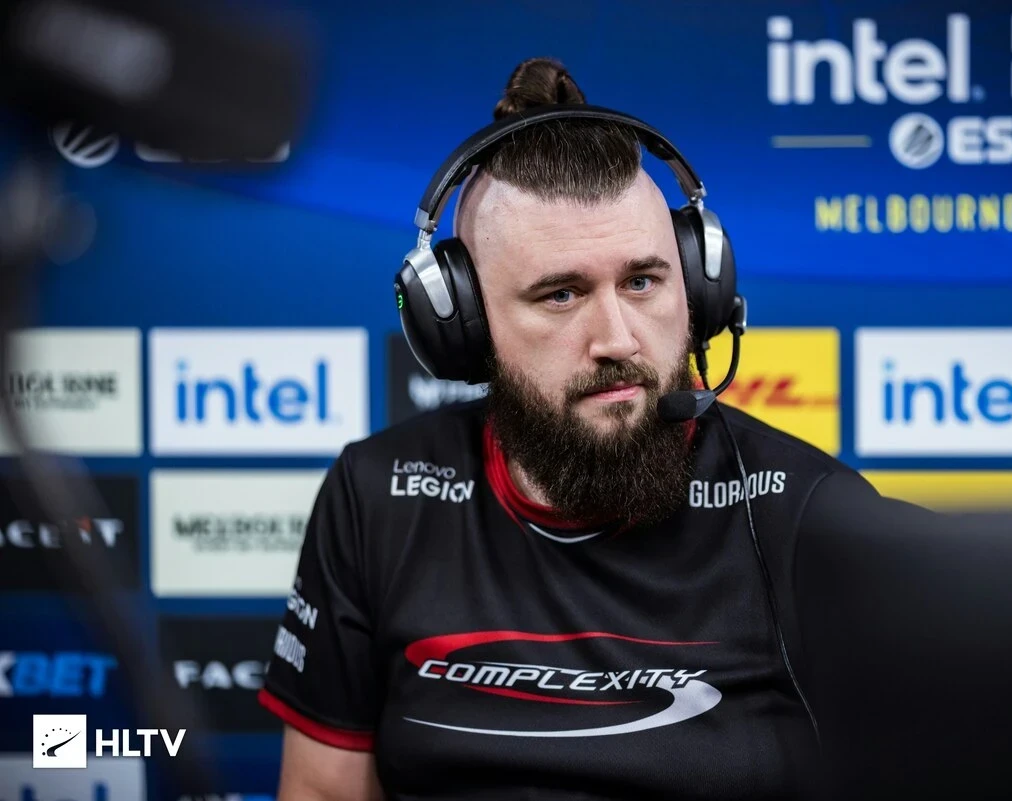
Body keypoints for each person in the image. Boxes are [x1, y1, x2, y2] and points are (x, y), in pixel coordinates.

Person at [257, 57, 883, 800]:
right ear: (463, 327)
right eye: (560, 295)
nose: (617, 338)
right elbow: (323, 790)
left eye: (642, 282)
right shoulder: (377, 497)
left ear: (699, 289)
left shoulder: (810, 515)